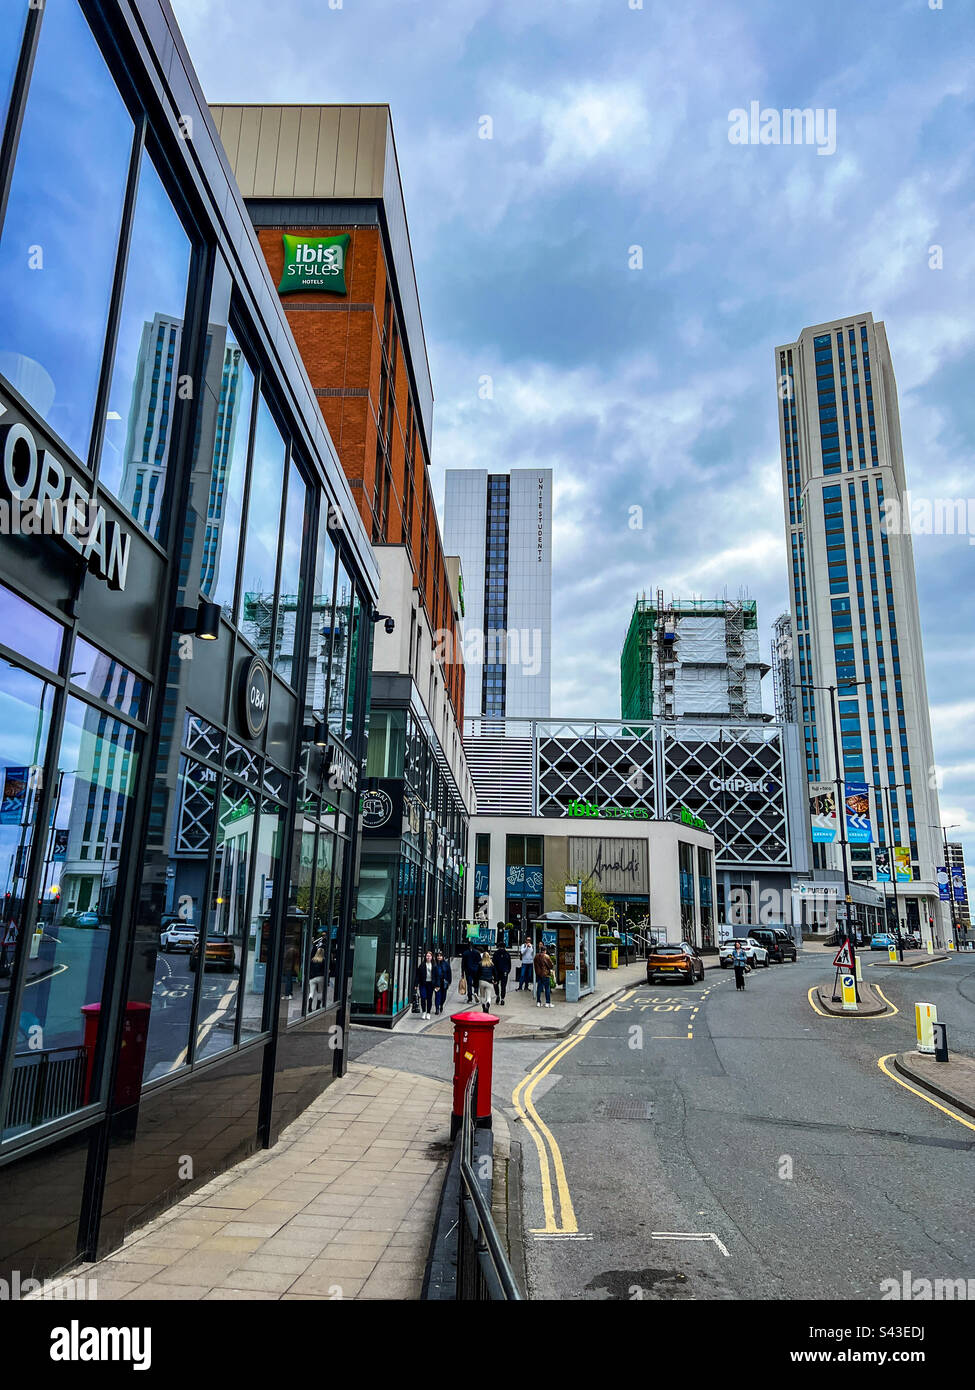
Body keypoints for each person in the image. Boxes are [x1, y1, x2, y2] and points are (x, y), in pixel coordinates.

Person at [415, 950, 436, 1019]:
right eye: (427, 956)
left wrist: (437, 985)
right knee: (423, 997)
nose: (428, 957)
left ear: (432, 957)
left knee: (429, 998)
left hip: (430, 984)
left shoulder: (434, 965)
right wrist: (416, 984)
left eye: (429, 956)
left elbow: (437, 976)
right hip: (423, 983)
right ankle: (424, 1012)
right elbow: (418, 975)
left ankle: (428, 1013)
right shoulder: (422, 965)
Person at [433, 950, 452, 1015]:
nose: (439, 957)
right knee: (437, 996)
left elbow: (449, 973)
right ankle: (437, 1008)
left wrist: (449, 981)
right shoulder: (434, 964)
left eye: (440, 956)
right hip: (437, 983)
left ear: (443, 957)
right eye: (438, 956)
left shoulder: (446, 964)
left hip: (444, 982)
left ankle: (441, 1004)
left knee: (443, 996)